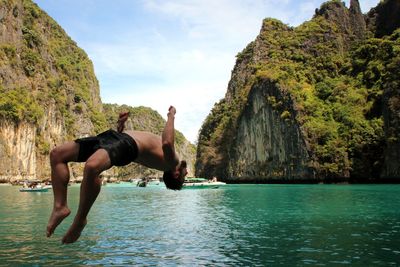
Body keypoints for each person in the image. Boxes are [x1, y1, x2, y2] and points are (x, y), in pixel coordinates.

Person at [46, 106, 188, 244]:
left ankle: (80, 219)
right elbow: (135, 143)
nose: (186, 173)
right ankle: (60, 207)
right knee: (57, 155)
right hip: (114, 138)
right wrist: (121, 127)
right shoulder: (162, 160)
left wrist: (171, 115)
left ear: (176, 174)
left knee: (92, 167)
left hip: (126, 144)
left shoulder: (172, 163)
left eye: (184, 177)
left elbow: (167, 143)